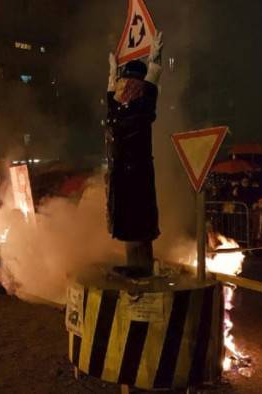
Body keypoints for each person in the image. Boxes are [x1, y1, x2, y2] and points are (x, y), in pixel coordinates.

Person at [106, 31, 163, 276]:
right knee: (128, 222)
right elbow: (110, 96)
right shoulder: (118, 107)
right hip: (122, 172)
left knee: (139, 221)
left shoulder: (142, 105)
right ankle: (134, 265)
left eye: (126, 81)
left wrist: (155, 61)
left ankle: (143, 267)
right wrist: (112, 71)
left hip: (137, 171)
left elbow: (151, 85)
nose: (122, 85)